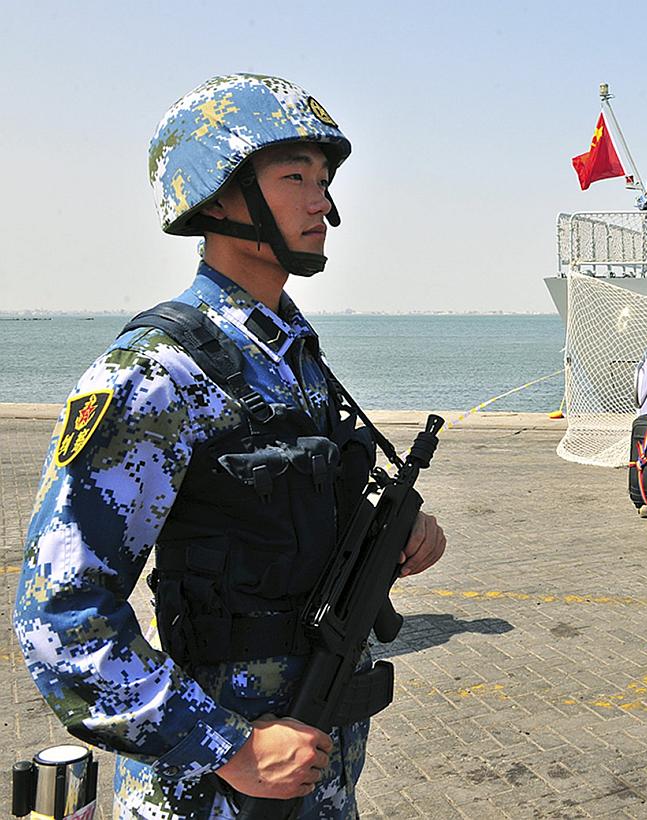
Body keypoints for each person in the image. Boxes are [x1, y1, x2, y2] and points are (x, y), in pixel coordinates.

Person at [12, 73, 447, 819]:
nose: (324, 205)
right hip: (210, 794)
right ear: (217, 198)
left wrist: (398, 530)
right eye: (293, 178)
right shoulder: (156, 374)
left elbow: (298, 503)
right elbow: (61, 619)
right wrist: (227, 747)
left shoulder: (290, 355)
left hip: (316, 777)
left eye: (324, 180)